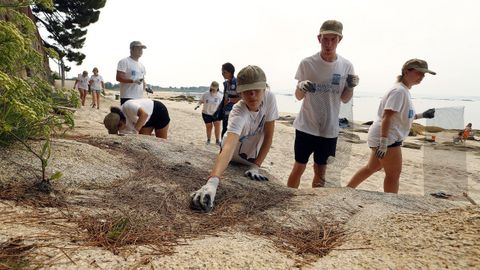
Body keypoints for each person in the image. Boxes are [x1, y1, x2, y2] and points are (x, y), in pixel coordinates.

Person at [190, 65, 279, 212]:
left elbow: (269, 136)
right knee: (228, 146)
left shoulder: (270, 98)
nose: (252, 95)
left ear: (265, 89)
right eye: (247, 92)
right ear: (240, 93)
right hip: (232, 155)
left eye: (256, 90)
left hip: (251, 158)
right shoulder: (239, 112)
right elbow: (229, 146)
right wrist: (212, 182)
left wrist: (256, 166)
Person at [286, 20, 359, 189]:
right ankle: (287, 200)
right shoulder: (307, 63)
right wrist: (301, 86)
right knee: (299, 167)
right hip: (306, 126)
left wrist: (350, 86)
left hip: (329, 130)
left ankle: (314, 204)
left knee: (321, 171)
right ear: (319, 38)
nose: (329, 43)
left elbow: (345, 99)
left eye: (333, 39)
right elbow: (298, 96)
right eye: (326, 39)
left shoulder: (346, 66)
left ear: (339, 40)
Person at [346, 58, 436, 193]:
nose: (422, 77)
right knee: (393, 175)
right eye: (419, 73)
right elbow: (387, 116)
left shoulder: (403, 90)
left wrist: (423, 115)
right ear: (406, 71)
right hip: (388, 138)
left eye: (424, 74)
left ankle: (347, 190)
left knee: (372, 167)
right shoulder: (399, 91)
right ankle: (391, 204)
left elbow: (401, 117)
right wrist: (383, 142)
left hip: (383, 136)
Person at [103, 98, 170, 139]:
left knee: (162, 140)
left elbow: (144, 115)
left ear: (121, 121)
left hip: (157, 110)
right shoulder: (120, 125)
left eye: (118, 128)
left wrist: (134, 131)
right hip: (144, 121)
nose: (119, 131)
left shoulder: (128, 106)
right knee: (144, 140)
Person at [116, 41, 147, 105]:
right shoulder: (124, 61)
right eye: (138, 48)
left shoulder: (142, 66)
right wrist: (133, 81)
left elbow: (143, 80)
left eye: (141, 49)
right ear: (131, 49)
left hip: (139, 98)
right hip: (127, 97)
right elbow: (119, 77)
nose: (140, 51)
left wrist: (146, 87)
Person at [195, 81, 223, 145]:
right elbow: (200, 101)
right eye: (212, 88)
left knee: (217, 127)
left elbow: (222, 105)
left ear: (217, 88)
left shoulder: (220, 96)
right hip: (206, 113)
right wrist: (197, 105)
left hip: (216, 114)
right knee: (209, 127)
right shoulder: (205, 94)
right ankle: (208, 140)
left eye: (214, 88)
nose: (213, 89)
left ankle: (217, 140)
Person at [218, 62, 240, 139]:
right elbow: (225, 98)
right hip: (225, 114)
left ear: (230, 72)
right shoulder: (226, 84)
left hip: (234, 114)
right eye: (222, 71)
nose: (222, 74)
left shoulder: (237, 83)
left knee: (230, 134)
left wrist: (230, 99)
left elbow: (243, 99)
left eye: (224, 72)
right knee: (224, 133)